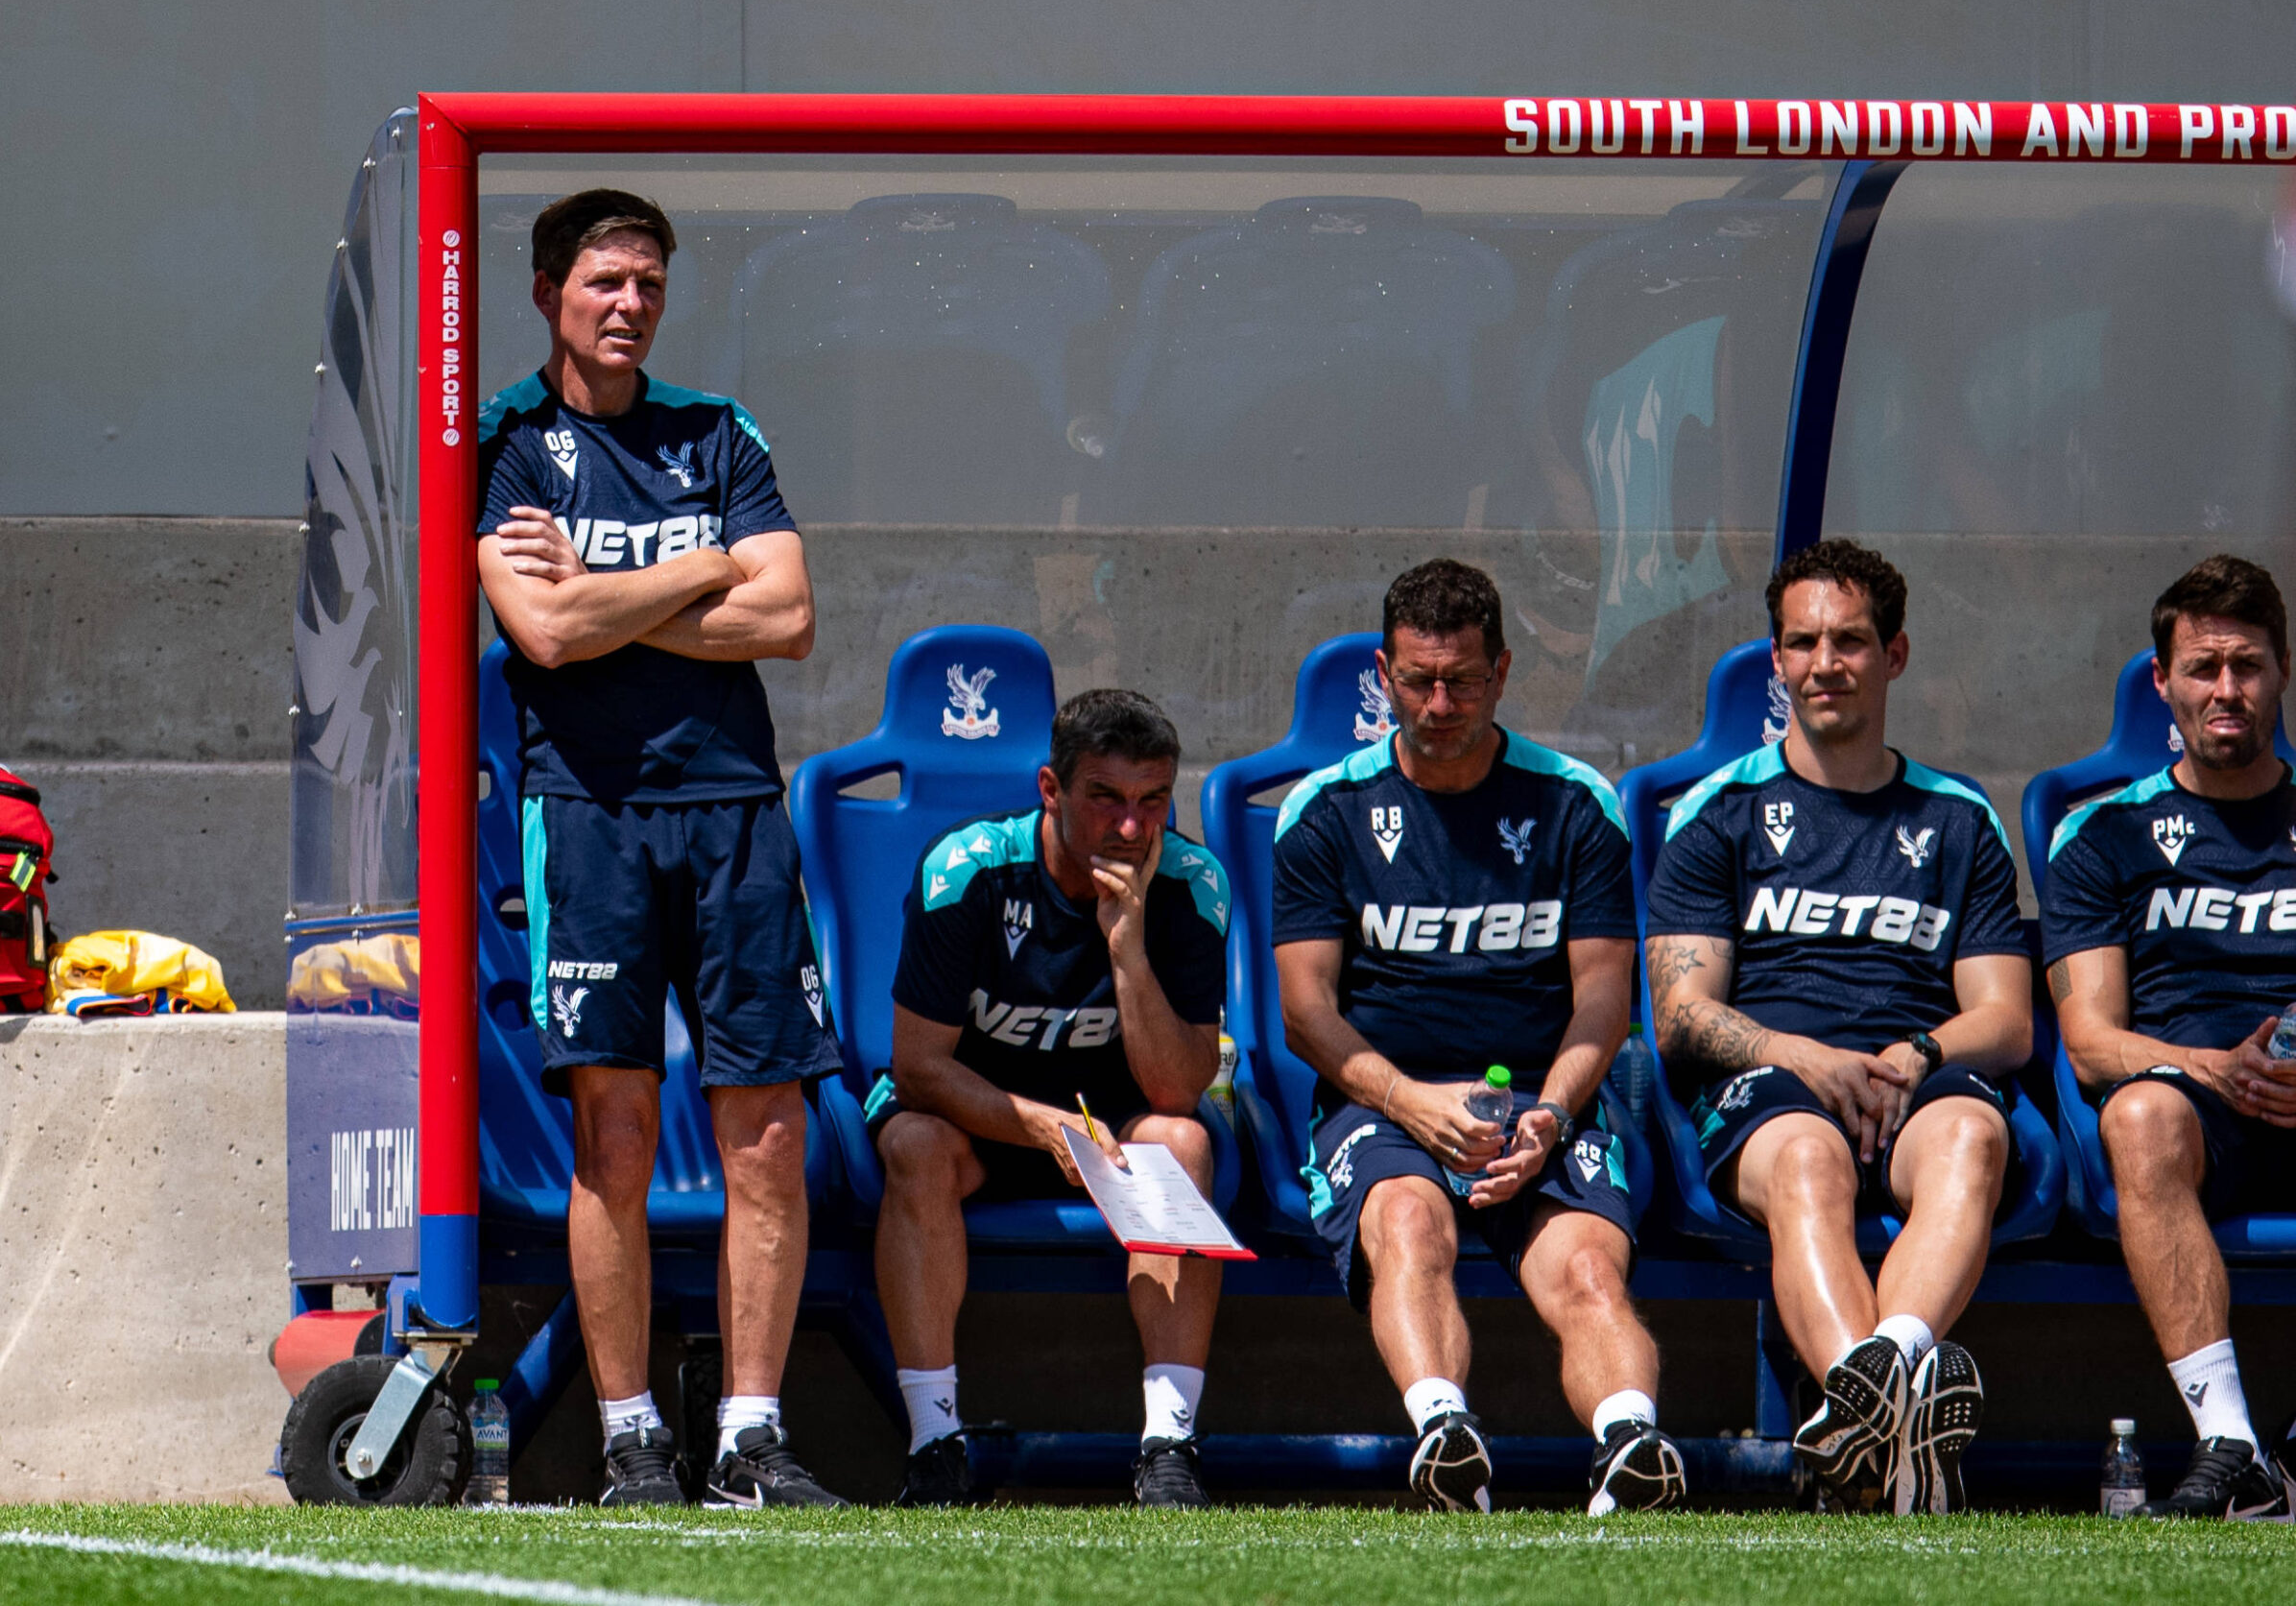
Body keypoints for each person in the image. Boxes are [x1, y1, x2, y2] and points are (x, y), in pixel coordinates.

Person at [474, 188, 846, 1508]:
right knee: (615, 1133)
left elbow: (790, 613)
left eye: (646, 285)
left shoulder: (718, 431)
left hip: (738, 810)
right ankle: (632, 1432)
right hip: (588, 815)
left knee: (766, 1138)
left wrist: (626, 586)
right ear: (546, 295)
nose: (628, 306)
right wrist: (702, 570)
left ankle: (749, 1433)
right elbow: (549, 635)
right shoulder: (510, 444)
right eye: (603, 285)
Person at [1272, 559, 1683, 1517]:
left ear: (1501, 671)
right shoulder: (1325, 810)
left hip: (1544, 1099)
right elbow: (1305, 1011)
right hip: (1384, 1099)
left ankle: (1629, 1448)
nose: (1440, 700)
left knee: (1586, 1267)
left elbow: (1601, 1002)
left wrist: (1548, 1112)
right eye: (1417, 679)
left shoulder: (1576, 803)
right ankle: (1445, 1439)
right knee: (1409, 1224)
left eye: (1462, 677)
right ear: (1382, 672)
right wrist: (1410, 1100)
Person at [1645, 539, 2033, 1517]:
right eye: (1802, 642)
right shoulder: (1716, 812)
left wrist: (1919, 1051)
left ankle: (1873, 1395)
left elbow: (2006, 1018)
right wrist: (1801, 1055)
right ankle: (1893, 1426)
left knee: (1974, 1134)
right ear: (1774, 659)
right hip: (1773, 1085)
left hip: (1916, 1076)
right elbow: (1682, 1016)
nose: (1825, 662)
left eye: (1850, 641)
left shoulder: (1957, 818)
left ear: (1893, 654)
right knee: (1811, 1160)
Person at [868, 689, 1232, 1509]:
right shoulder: (967, 870)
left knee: (1184, 1144)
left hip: (1117, 1123)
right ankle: (935, 1446)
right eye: (1105, 798)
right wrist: (1040, 1126)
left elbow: (1178, 1086)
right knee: (913, 1147)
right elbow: (918, 1063)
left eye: (1151, 802)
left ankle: (1169, 1448)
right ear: (1050, 790)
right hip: (976, 1111)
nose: (1132, 829)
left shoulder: (1191, 880)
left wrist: (1127, 948)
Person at [2042, 555, 2296, 1520]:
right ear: (2162, 681)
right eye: (2202, 667)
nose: (2225, 689)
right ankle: (2230, 1444)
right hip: (2199, 1113)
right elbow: (2091, 1039)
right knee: (2139, 1111)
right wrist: (2216, 1072)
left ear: (2281, 671)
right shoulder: (2102, 834)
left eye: (2247, 665)